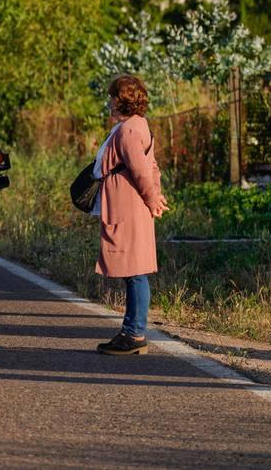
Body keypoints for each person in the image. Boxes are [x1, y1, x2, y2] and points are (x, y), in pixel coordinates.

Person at [94, 74, 167, 356]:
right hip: (132, 206)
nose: (110, 102)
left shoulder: (128, 131)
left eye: (112, 97)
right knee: (133, 271)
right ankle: (129, 330)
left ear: (121, 100)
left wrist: (152, 199)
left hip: (130, 207)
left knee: (135, 272)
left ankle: (135, 333)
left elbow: (140, 170)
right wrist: (155, 196)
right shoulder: (138, 126)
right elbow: (152, 167)